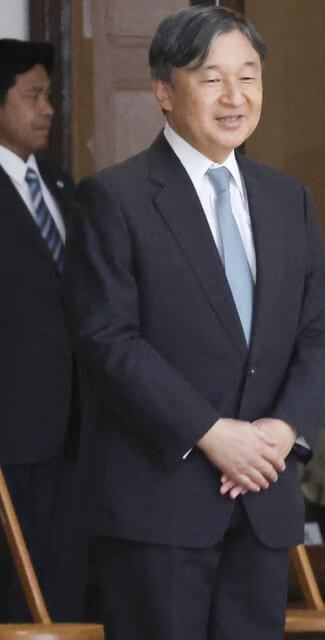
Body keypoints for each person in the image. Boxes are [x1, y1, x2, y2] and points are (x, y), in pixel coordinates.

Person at [64, 7, 325, 640]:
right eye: (211, 77)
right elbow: (107, 340)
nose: (234, 96)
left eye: (249, 77)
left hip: (263, 500)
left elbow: (321, 330)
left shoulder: (287, 198)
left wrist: (281, 429)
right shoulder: (115, 197)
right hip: (158, 505)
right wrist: (212, 432)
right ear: (164, 89)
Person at [0, 39, 85, 622]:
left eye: (49, 95)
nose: (48, 108)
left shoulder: (61, 190)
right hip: (9, 434)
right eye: (32, 95)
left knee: (62, 592)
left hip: (73, 435)